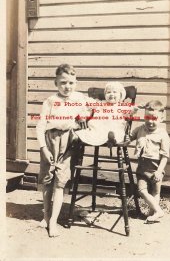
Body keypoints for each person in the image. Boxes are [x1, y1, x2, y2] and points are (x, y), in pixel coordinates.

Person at [36, 64, 90, 237]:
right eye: (63, 83)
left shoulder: (80, 98)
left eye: (71, 83)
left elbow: (90, 112)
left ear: (76, 82)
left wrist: (83, 117)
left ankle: (53, 221)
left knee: (60, 182)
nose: (67, 87)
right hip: (50, 141)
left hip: (68, 144)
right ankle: (45, 215)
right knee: (47, 181)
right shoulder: (50, 101)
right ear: (56, 83)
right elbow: (41, 125)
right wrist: (43, 148)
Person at [126, 100, 170, 222]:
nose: (150, 121)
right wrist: (132, 112)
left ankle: (153, 214)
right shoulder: (140, 129)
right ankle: (159, 211)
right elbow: (128, 137)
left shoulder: (163, 134)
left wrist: (159, 171)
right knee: (142, 190)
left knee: (156, 192)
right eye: (147, 117)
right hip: (142, 167)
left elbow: (165, 156)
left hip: (156, 168)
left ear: (161, 119)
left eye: (154, 118)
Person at [75, 81, 137, 146]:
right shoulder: (101, 105)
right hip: (99, 130)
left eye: (114, 92)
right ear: (105, 95)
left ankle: (112, 140)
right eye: (108, 92)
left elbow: (129, 112)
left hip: (115, 128)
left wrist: (133, 110)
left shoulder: (122, 106)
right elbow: (91, 105)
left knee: (116, 133)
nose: (111, 94)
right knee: (89, 133)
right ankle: (109, 139)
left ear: (120, 95)